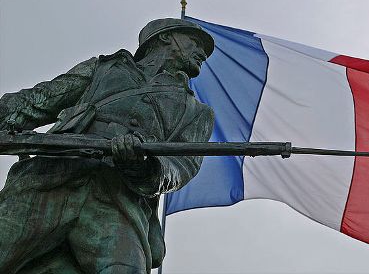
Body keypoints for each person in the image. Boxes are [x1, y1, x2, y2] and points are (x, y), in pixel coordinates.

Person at [0, 18, 215, 274]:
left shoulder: (196, 112)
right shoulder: (104, 69)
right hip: (48, 182)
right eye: (195, 43)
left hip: (117, 203)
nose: (202, 53)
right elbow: (39, 100)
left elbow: (181, 166)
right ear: (164, 37)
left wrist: (144, 166)